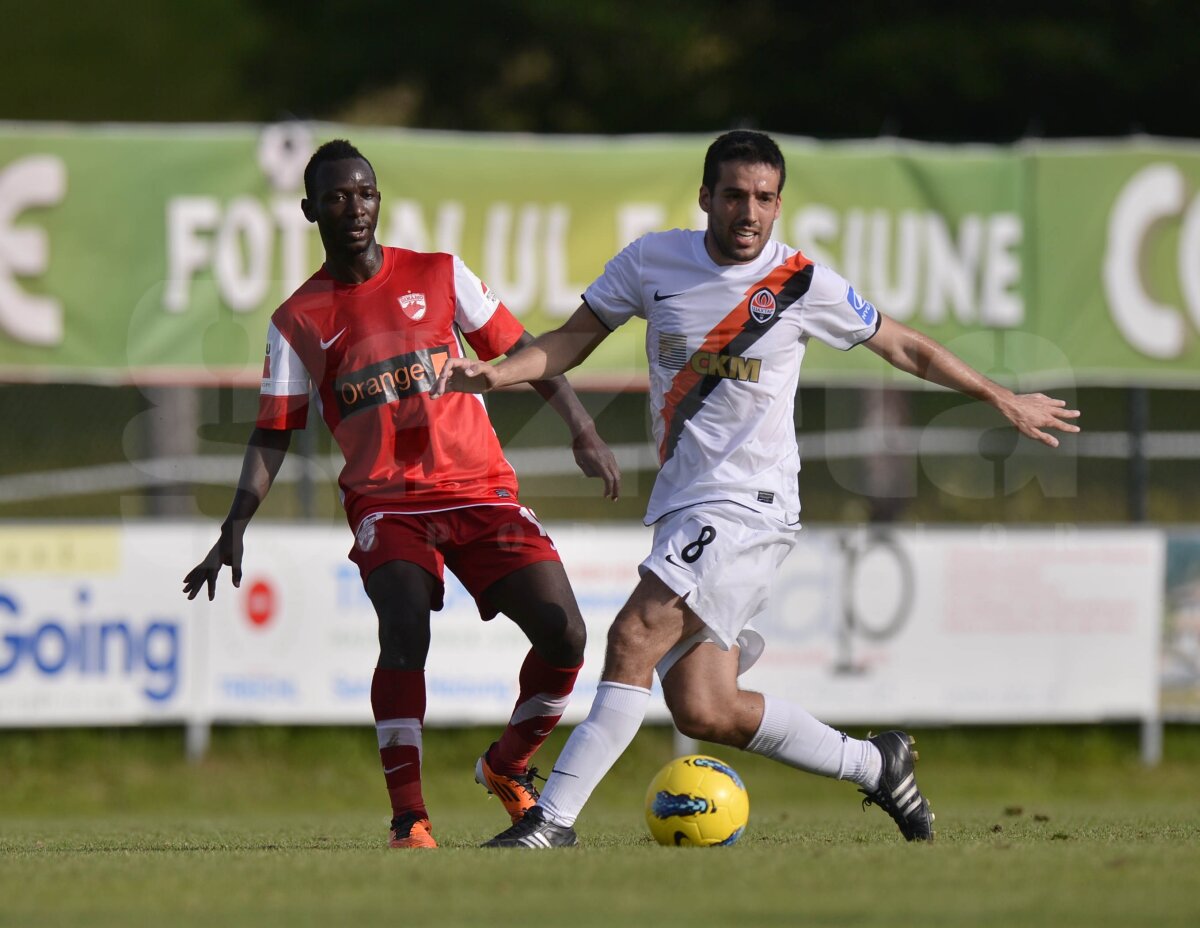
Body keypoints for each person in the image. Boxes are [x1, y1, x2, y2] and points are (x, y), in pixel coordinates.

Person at [431, 129, 1081, 847]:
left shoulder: (800, 283)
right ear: (705, 197)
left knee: (634, 634)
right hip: (685, 504)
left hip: (749, 505)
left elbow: (903, 345)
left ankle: (550, 821)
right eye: (736, 195)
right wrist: (498, 373)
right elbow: (572, 338)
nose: (750, 212)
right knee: (705, 708)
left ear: (779, 204)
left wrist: (999, 396)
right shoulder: (652, 261)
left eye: (765, 198)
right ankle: (876, 764)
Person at [182, 139, 620, 850]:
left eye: (365, 193)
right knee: (404, 626)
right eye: (337, 197)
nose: (354, 208)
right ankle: (409, 819)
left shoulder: (440, 274)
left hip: (481, 492)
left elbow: (522, 350)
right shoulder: (297, 319)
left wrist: (583, 427)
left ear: (379, 200)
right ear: (310, 211)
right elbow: (273, 431)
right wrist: (235, 523)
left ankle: (508, 764)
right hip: (388, 505)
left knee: (565, 633)